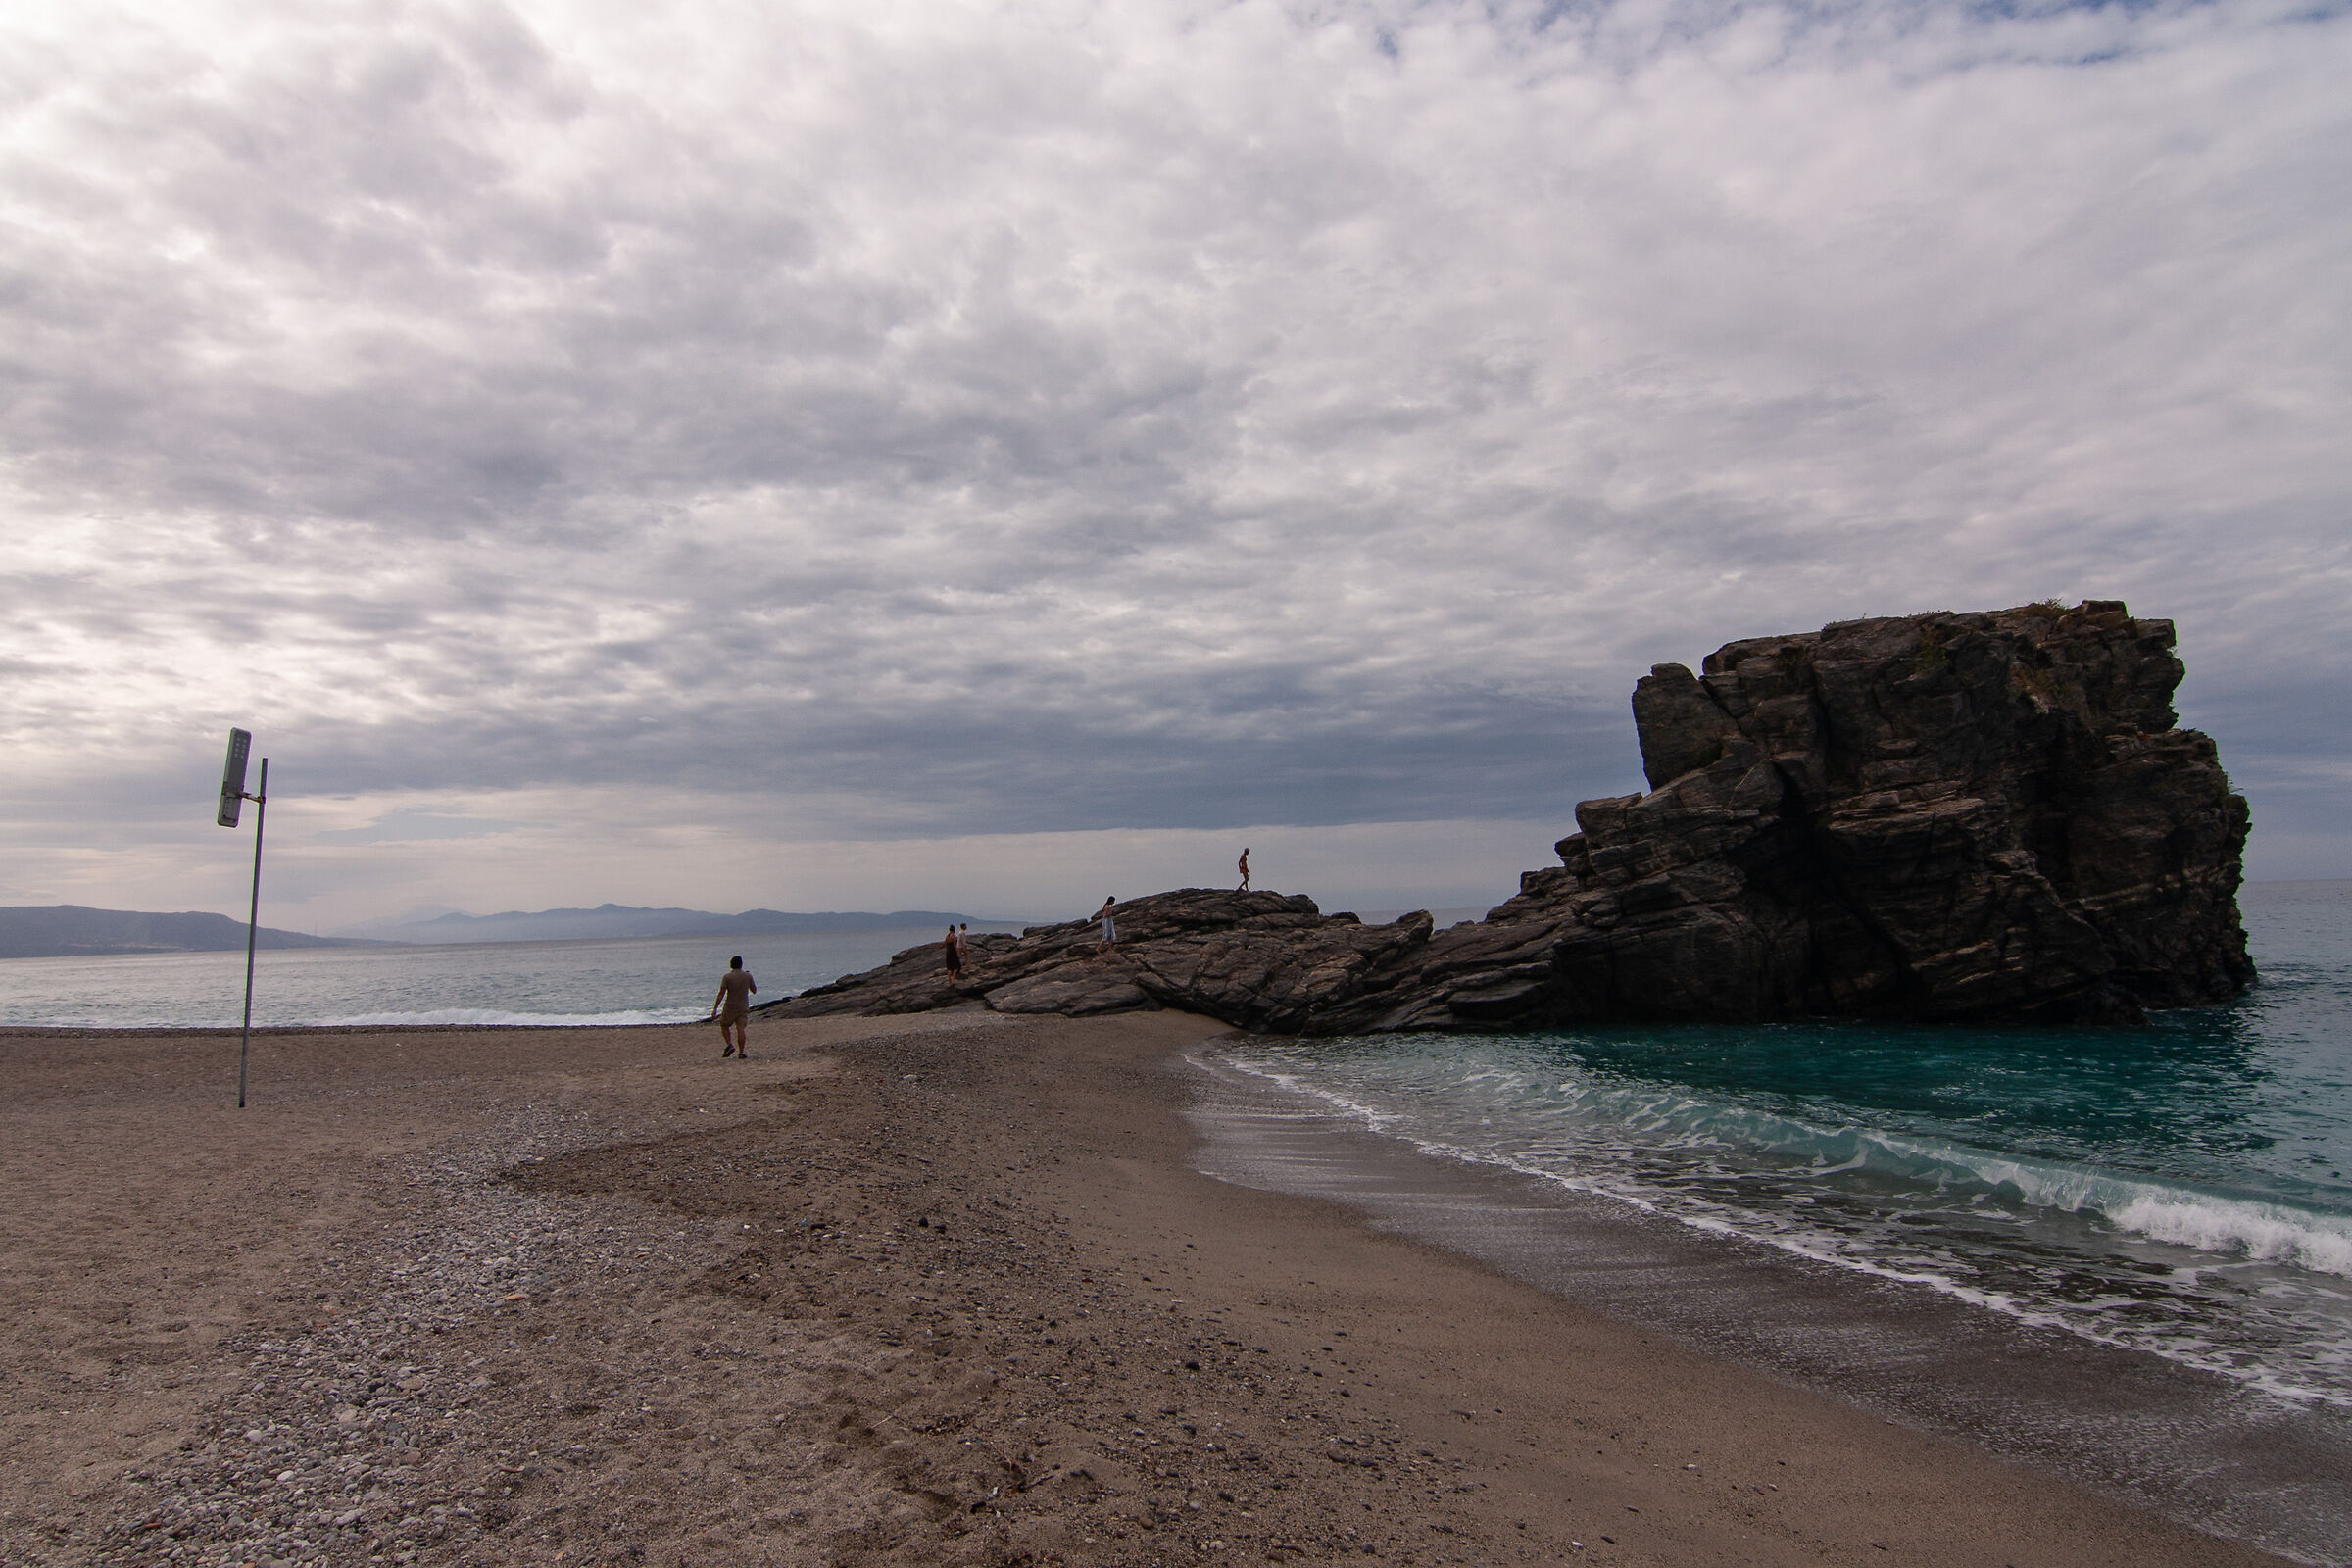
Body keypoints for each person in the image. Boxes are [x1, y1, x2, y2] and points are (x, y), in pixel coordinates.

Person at [712, 956, 756, 1058]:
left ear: (731, 964)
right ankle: (741, 1052)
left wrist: (715, 1008)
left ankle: (729, 1044)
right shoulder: (747, 976)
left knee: (724, 1025)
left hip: (730, 1005)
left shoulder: (727, 977)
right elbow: (754, 990)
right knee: (740, 1029)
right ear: (741, 964)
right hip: (743, 1006)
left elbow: (721, 993)